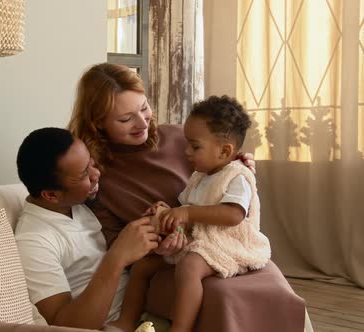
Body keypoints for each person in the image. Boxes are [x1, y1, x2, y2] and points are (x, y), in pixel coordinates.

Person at [68, 63, 306, 332]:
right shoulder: (97, 176)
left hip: (220, 243)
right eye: (125, 119)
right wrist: (160, 242)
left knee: (273, 291)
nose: (142, 122)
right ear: (97, 122)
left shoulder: (181, 137)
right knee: (221, 295)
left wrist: (240, 166)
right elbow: (117, 243)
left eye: (144, 107)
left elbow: (222, 171)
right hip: (166, 263)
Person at [14, 127, 169, 331]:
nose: (97, 174)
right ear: (51, 195)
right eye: (84, 174)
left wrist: (159, 219)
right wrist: (117, 257)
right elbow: (66, 326)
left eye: (91, 163)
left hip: (145, 306)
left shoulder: (78, 203)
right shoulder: (34, 241)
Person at [150, 95, 271, 332]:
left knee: (189, 267)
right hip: (202, 238)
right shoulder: (199, 177)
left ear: (225, 151)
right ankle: (126, 317)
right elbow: (184, 207)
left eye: (194, 146)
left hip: (229, 242)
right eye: (186, 143)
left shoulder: (237, 177)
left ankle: (180, 328)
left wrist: (186, 213)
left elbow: (232, 216)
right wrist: (165, 210)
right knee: (145, 264)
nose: (186, 151)